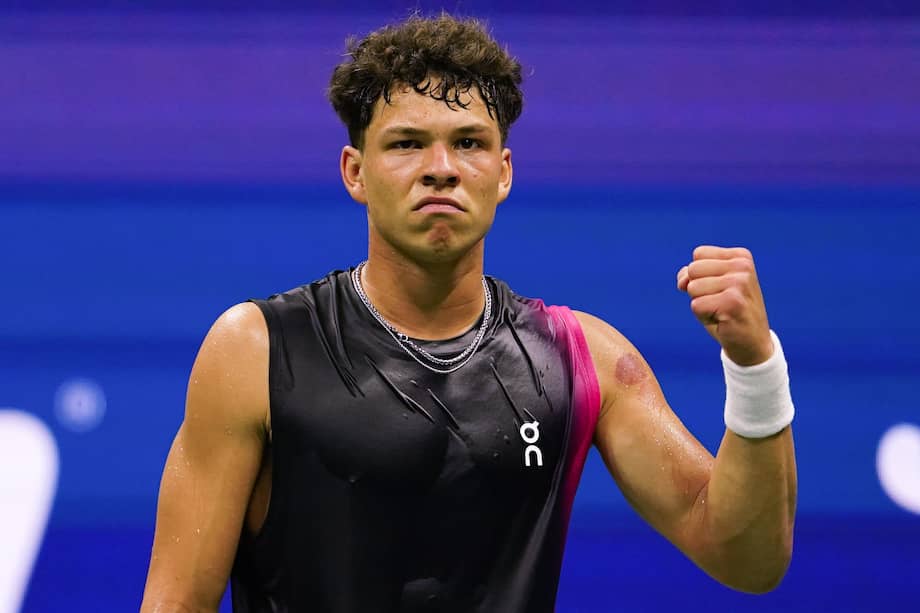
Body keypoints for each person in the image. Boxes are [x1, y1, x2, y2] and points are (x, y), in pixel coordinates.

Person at [141, 13, 796, 613]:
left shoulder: (580, 358)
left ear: (503, 172)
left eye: (469, 142)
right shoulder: (253, 351)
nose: (441, 169)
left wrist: (754, 363)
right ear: (355, 171)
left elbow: (747, 556)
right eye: (405, 144)